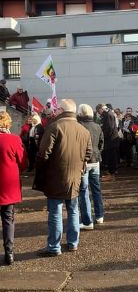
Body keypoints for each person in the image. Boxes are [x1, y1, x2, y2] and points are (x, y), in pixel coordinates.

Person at [33, 99, 92, 256]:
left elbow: (43, 153)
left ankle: (54, 247)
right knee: (73, 210)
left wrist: (40, 171)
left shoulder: (54, 127)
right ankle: (73, 243)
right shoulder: (84, 130)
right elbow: (88, 154)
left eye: (56, 108)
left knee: (55, 212)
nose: (54, 111)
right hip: (75, 177)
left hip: (55, 177)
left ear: (61, 110)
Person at [0, 111, 27, 265]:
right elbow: (23, 163)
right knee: (8, 218)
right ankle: (9, 252)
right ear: (7, 124)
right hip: (7, 185)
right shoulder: (14, 139)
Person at [77, 104, 105, 230]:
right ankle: (99, 216)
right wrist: (97, 153)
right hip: (96, 160)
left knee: (83, 191)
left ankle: (87, 221)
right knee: (96, 189)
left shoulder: (79, 126)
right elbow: (101, 143)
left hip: (84, 161)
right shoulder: (97, 126)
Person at [97, 104, 120, 182]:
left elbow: (109, 128)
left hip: (111, 140)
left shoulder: (108, 115)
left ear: (101, 109)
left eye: (98, 112)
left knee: (111, 158)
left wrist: (102, 136)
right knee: (111, 157)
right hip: (111, 140)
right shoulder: (109, 114)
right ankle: (110, 173)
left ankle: (111, 175)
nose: (99, 114)